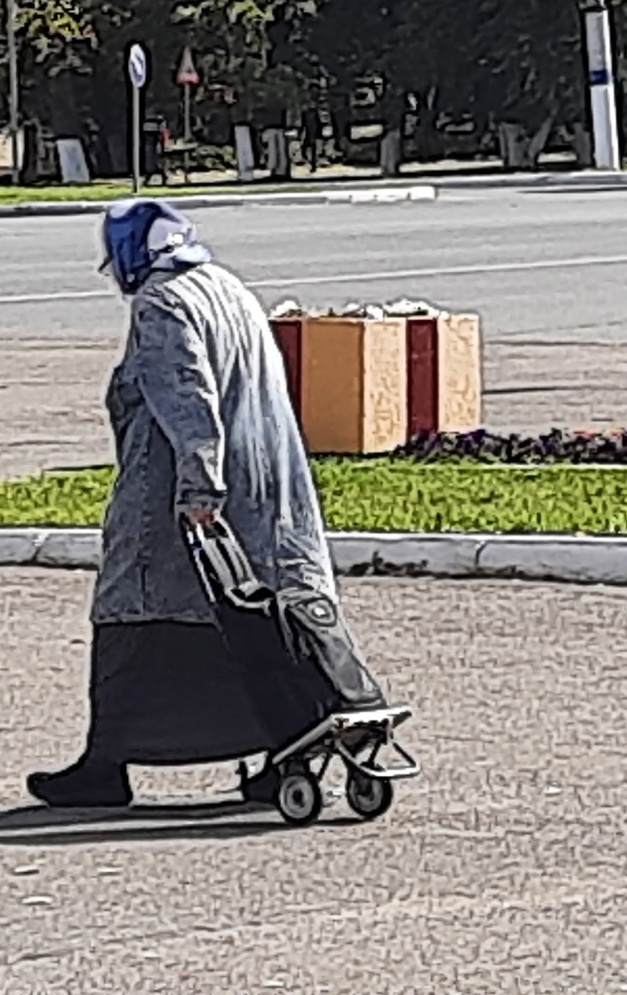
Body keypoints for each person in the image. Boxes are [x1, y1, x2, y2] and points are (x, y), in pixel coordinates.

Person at [27, 199, 387, 809]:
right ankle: (286, 749)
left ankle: (105, 764)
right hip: (269, 483)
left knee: (133, 618)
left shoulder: (162, 303)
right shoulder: (225, 286)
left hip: (179, 495)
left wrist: (198, 488)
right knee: (258, 626)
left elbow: (186, 397)